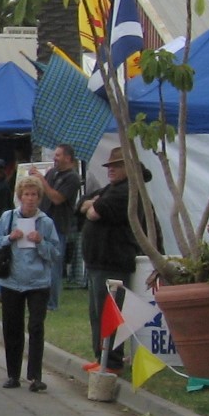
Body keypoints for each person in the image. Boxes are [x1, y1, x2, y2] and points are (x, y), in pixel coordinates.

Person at [0, 175, 64, 391]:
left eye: (34, 195)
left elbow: (56, 254)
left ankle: (35, 376)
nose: (30, 199)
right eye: (26, 194)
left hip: (38, 282)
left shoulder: (46, 222)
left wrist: (41, 243)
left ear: (39, 198)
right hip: (12, 281)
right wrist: (9, 237)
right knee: (13, 328)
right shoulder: (8, 217)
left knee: (36, 327)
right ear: (19, 197)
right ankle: (13, 374)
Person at [80, 148, 145, 373]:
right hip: (98, 262)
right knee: (97, 313)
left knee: (109, 313)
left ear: (129, 167)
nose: (111, 171)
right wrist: (91, 203)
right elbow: (83, 203)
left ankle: (112, 361)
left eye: (116, 166)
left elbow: (94, 211)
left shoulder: (126, 191)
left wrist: (93, 204)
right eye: (109, 167)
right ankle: (102, 357)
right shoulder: (113, 188)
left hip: (112, 262)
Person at [39, 143, 83, 298]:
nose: (54, 158)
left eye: (58, 155)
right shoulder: (51, 173)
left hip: (58, 226)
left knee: (54, 265)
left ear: (68, 158)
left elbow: (57, 198)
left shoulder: (73, 178)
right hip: (43, 223)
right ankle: (41, 296)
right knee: (41, 262)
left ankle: (52, 301)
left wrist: (41, 181)